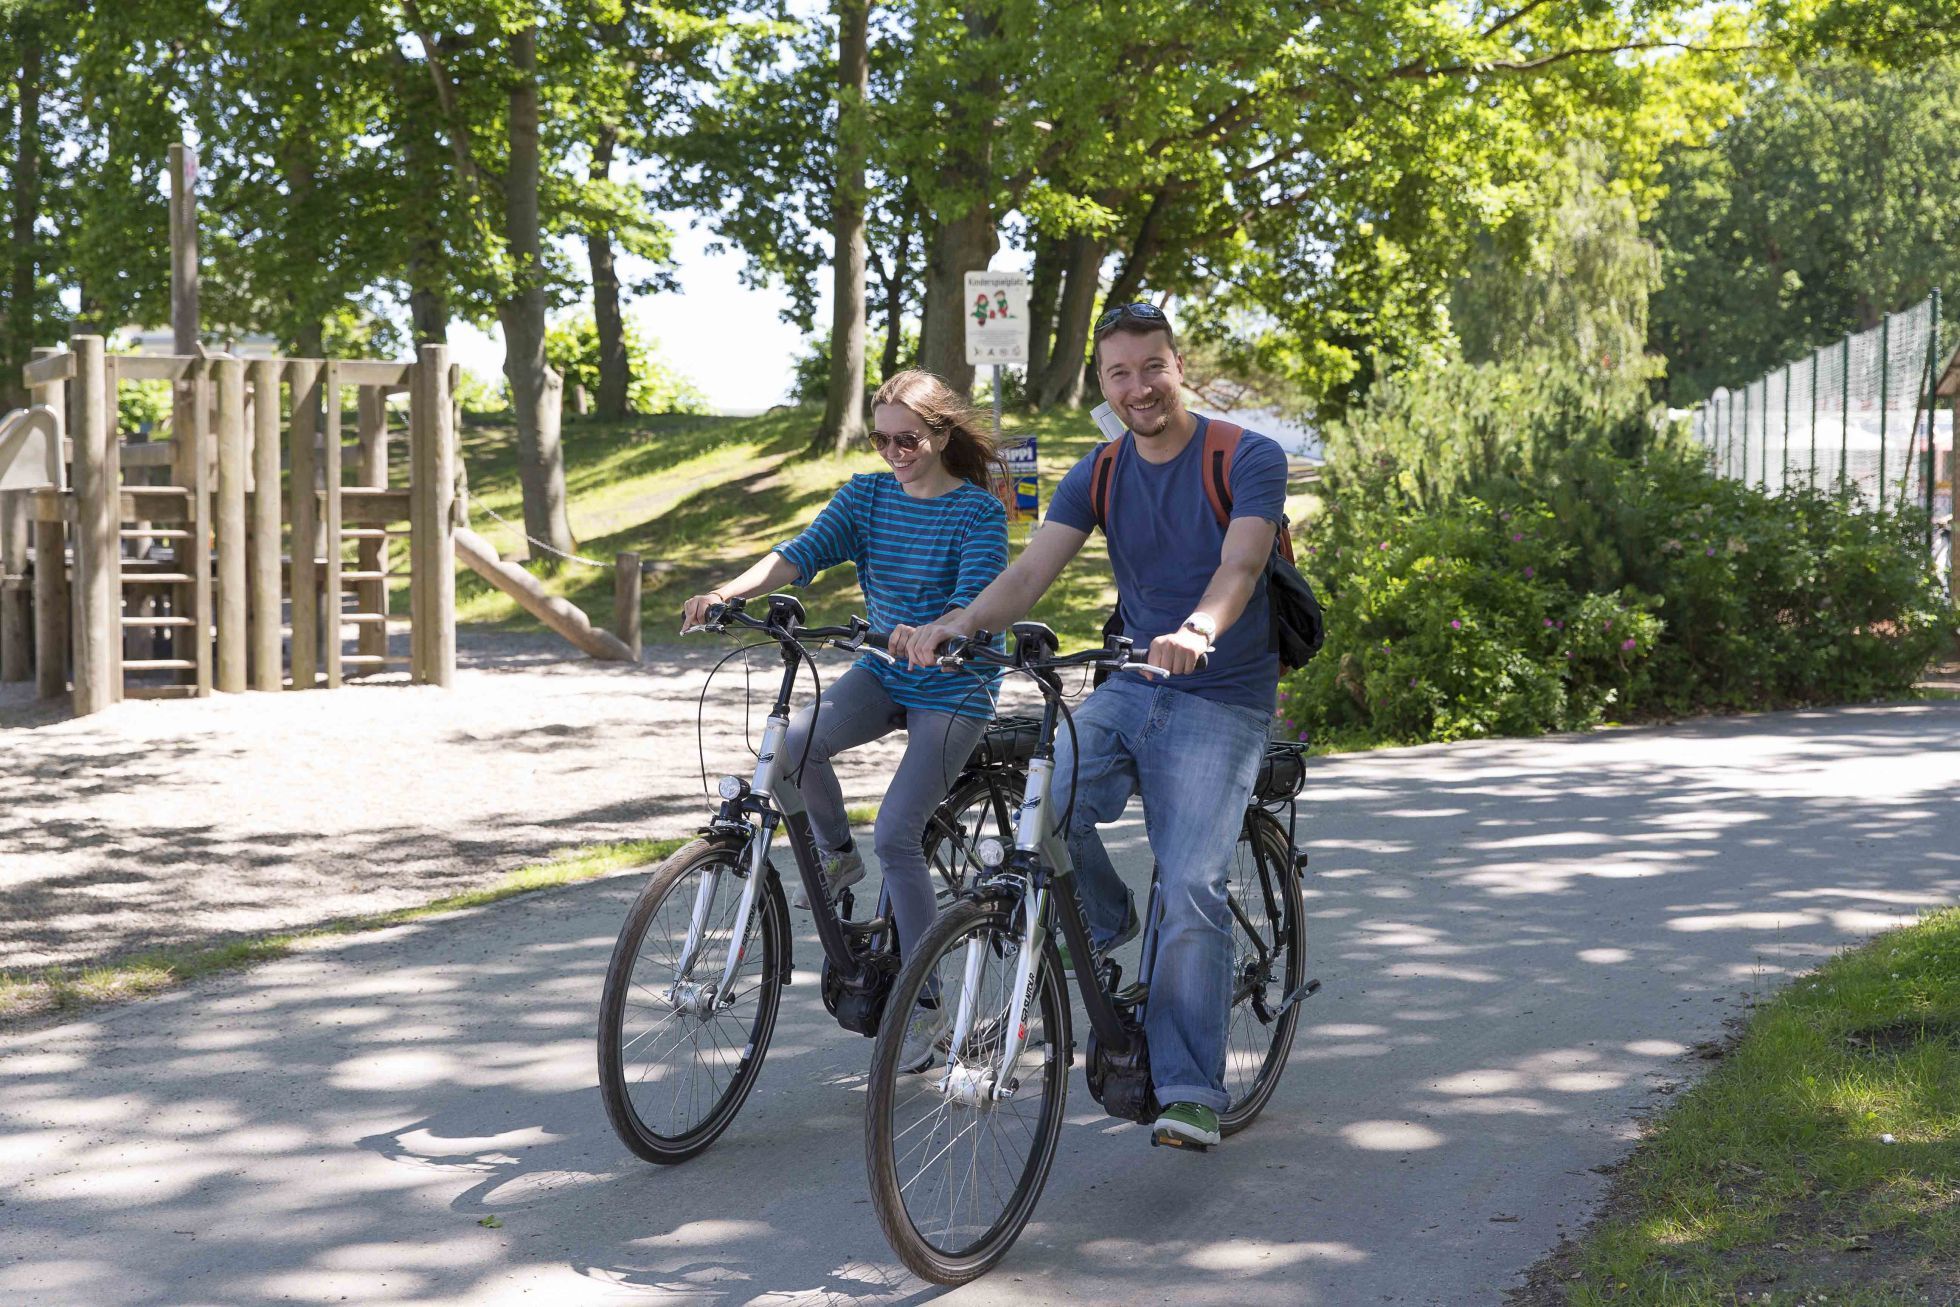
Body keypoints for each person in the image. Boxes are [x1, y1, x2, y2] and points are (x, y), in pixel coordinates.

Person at [893, 304, 1285, 1151]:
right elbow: (1033, 569)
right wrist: (957, 624)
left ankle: (1187, 1089)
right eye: (1119, 372)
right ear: (1102, 383)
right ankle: (1102, 921)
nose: (1138, 386)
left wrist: (1199, 631)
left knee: (1190, 885)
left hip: (1221, 693)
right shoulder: (1101, 469)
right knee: (1041, 812)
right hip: (1130, 685)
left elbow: (1242, 562)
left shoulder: (1245, 455)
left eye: (1152, 367)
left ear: (1179, 368)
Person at [681, 370, 1009, 974]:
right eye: (881, 441)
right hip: (884, 671)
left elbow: (974, 603)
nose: (893, 454)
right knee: (793, 744)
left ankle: (923, 999)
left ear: (938, 435)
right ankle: (835, 855)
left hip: (954, 687)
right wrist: (726, 592)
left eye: (906, 441)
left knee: (897, 836)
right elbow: (798, 554)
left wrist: (939, 629)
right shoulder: (866, 497)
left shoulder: (978, 513)